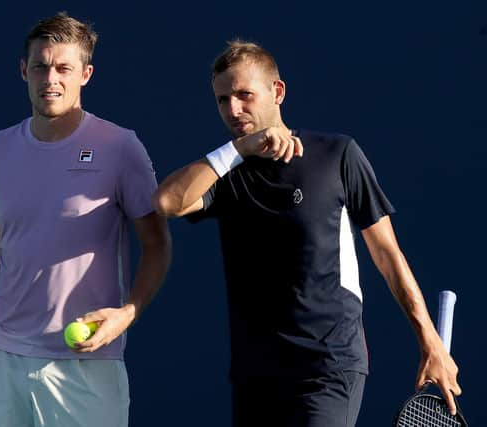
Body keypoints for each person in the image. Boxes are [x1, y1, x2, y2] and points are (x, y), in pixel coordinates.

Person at [152, 40, 461, 427]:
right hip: (255, 376)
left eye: (244, 95)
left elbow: (387, 255)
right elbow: (167, 202)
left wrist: (429, 340)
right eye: (222, 99)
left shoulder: (338, 155)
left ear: (277, 92)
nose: (233, 109)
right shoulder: (225, 173)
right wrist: (239, 149)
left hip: (329, 366)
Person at [0, 12, 172, 427]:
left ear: (86, 74)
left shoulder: (120, 147)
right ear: (24, 70)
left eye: (63, 68)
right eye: (40, 66)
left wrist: (126, 313)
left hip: (87, 367)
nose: (50, 79)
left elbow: (157, 245)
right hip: (2, 361)